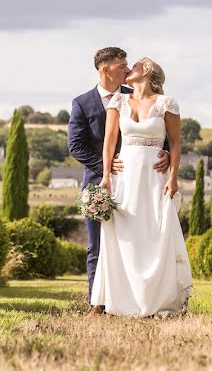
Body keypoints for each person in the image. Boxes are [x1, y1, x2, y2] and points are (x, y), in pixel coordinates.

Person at [68, 47, 169, 315]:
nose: (126, 69)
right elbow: (75, 145)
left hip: (137, 183)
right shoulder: (82, 102)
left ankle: (134, 301)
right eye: (121, 65)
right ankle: (97, 304)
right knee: (96, 245)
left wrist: (167, 154)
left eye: (128, 65)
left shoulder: (134, 97)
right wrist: (107, 165)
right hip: (97, 182)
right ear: (105, 70)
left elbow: (161, 132)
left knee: (133, 240)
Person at [89, 57, 193, 317]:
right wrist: (106, 176)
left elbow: (176, 144)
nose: (128, 69)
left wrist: (173, 176)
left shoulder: (167, 104)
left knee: (154, 232)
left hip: (154, 178)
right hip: (125, 177)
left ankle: (155, 298)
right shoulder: (118, 102)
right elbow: (109, 142)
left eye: (133, 65)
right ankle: (122, 301)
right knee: (124, 234)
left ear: (146, 71)